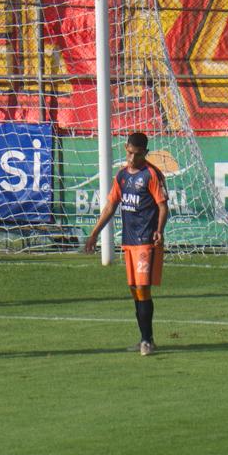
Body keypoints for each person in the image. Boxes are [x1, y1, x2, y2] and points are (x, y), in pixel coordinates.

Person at [83, 131, 168, 357]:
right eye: (130, 153)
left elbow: (162, 207)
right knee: (134, 290)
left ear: (145, 153)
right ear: (126, 148)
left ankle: (146, 341)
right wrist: (94, 234)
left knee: (142, 289)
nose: (132, 159)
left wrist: (159, 230)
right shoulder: (121, 176)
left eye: (138, 155)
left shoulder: (152, 175)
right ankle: (146, 338)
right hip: (129, 241)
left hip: (146, 241)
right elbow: (111, 206)